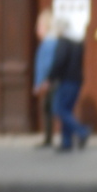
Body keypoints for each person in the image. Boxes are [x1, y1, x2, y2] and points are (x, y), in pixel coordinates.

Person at [38, 19, 91, 152]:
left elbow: (59, 62)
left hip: (66, 80)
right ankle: (66, 143)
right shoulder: (77, 43)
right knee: (67, 110)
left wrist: (49, 78)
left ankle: (82, 130)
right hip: (76, 80)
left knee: (59, 109)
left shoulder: (63, 43)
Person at [31, 9, 59, 148]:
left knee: (51, 109)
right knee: (50, 109)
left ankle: (50, 138)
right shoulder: (54, 42)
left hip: (49, 81)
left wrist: (39, 83)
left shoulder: (47, 44)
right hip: (53, 80)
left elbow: (44, 66)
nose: (37, 30)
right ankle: (49, 138)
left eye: (39, 26)